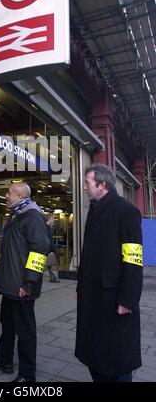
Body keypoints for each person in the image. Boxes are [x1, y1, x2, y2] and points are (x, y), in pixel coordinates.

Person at [75, 163, 143, 382]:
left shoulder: (126, 211)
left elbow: (133, 259)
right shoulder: (93, 212)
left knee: (117, 357)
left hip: (114, 298)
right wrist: (80, 286)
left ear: (101, 185)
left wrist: (128, 299)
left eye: (87, 182)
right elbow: (87, 256)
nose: (84, 187)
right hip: (93, 296)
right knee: (95, 354)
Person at [0, 183, 50, 382]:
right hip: (10, 284)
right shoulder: (17, 215)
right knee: (7, 324)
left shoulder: (32, 217)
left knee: (25, 332)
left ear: (20, 195)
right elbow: (13, 251)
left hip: (22, 286)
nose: (6, 195)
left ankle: (27, 374)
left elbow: (40, 251)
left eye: (9, 193)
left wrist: (29, 283)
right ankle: (4, 360)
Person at [45, 214, 60, 283]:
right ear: (50, 219)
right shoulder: (46, 228)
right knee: (49, 263)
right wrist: (52, 248)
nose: (53, 221)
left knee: (50, 263)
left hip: (47, 248)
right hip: (47, 248)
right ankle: (52, 277)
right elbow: (49, 239)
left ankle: (52, 277)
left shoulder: (46, 227)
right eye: (53, 219)